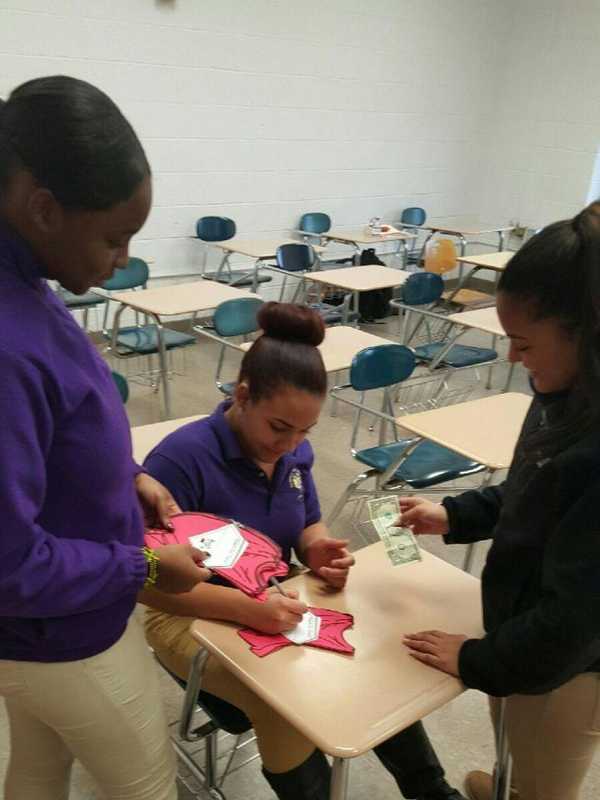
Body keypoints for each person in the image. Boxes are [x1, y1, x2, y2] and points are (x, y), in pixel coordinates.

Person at [141, 301, 467, 800]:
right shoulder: (181, 460)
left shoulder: (292, 452)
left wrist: (318, 550)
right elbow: (154, 587)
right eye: (278, 428)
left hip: (278, 595)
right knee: (283, 701)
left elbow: (306, 524)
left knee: (367, 650)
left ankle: (432, 791)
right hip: (190, 617)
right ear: (243, 396)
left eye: (304, 433)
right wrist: (252, 610)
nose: (291, 445)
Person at [0, 75, 210, 800]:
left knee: (36, 765)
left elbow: (56, 426)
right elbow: (8, 563)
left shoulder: (27, 283)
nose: (121, 259)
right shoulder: (6, 340)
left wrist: (124, 477)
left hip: (41, 639)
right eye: (114, 237)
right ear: (43, 208)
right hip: (63, 638)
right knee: (147, 788)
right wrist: (142, 570)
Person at [401, 202, 600, 800]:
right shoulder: (564, 388)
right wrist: (456, 514)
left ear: (588, 339)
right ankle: (511, 777)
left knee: (544, 780)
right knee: (515, 740)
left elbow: (569, 627)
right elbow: (531, 489)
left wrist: (476, 660)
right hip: (525, 643)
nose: (511, 358)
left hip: (567, 672)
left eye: (523, 343)